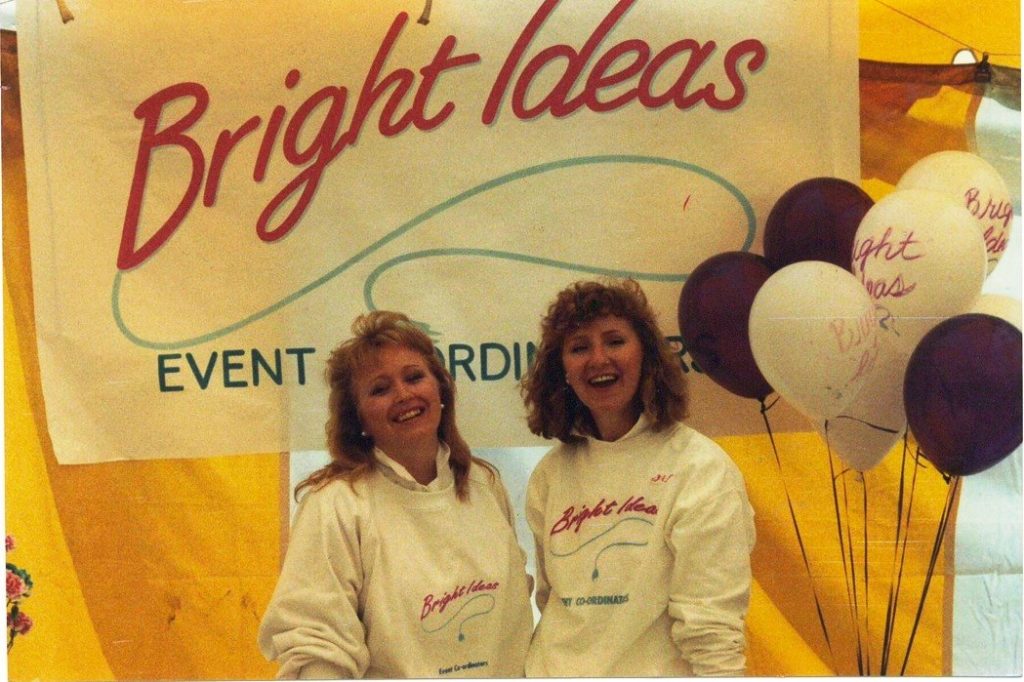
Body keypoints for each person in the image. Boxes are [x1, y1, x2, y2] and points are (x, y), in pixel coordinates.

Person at [259, 311, 533, 679]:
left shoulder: (484, 484)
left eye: (414, 377)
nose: (404, 395)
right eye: (380, 389)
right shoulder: (336, 505)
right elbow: (316, 644)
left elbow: (512, 617)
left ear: (441, 390)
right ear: (358, 418)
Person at [521, 278, 756, 677]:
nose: (598, 359)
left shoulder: (699, 467)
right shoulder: (550, 473)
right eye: (579, 347)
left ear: (646, 355)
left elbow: (713, 628)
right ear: (563, 370)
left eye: (614, 341)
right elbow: (550, 600)